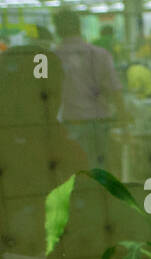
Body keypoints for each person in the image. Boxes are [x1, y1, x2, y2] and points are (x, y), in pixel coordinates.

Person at [52, 10, 122, 168]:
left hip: (68, 125)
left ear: (57, 30)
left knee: (73, 171)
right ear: (79, 27)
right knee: (100, 172)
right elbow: (115, 90)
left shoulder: (49, 58)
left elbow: (42, 94)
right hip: (100, 124)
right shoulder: (101, 55)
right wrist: (123, 122)